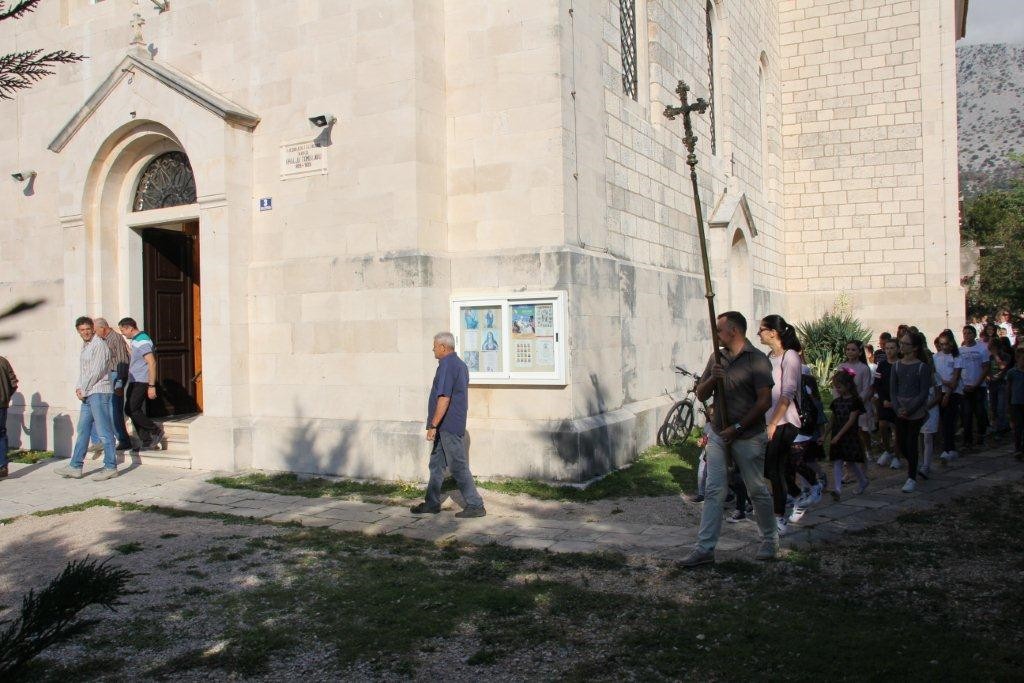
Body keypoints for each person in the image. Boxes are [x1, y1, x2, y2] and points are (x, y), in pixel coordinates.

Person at [679, 311, 778, 567]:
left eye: (719, 330)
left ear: (733, 331)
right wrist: (714, 377)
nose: (715, 334)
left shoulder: (756, 360)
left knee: (756, 489)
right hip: (718, 433)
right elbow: (701, 394)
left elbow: (764, 402)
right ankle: (705, 549)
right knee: (714, 491)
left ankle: (769, 539)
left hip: (748, 435)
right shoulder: (717, 357)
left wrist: (738, 427)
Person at [411, 332, 486, 518]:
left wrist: (433, 425)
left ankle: (476, 504)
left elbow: (444, 398)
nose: (433, 349)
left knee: (457, 465)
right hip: (447, 425)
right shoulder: (459, 364)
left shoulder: (447, 364)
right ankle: (432, 503)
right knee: (436, 465)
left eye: (435, 346)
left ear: (443, 347)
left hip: (447, 425)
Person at [756, 314, 805, 536]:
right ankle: (797, 494)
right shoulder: (769, 357)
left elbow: (787, 393)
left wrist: (774, 423)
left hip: (785, 421)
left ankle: (779, 517)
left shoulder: (790, 356)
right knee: (771, 468)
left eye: (761, 330)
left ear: (773, 332)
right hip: (769, 420)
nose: (759, 334)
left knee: (774, 468)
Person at [53, 317, 119, 480]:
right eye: (82, 330)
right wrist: (78, 387)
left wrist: (83, 389)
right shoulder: (86, 345)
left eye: (88, 329)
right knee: (83, 430)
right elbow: (84, 371)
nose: (85, 332)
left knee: (104, 431)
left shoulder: (99, 345)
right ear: (78, 331)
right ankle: (75, 466)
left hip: (99, 392)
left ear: (93, 329)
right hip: (88, 393)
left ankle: (111, 466)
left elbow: (97, 371)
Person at [891, 332, 932, 493]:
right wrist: (897, 408)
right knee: (901, 442)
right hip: (900, 408)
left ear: (914, 348)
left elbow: (923, 392)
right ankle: (914, 464)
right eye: (901, 343)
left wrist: (910, 409)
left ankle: (911, 477)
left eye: (905, 344)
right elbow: (893, 390)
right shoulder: (896, 366)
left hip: (915, 410)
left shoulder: (922, 367)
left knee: (911, 441)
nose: (901, 346)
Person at [117, 317, 164, 450]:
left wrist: (151, 386)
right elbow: (139, 356)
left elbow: (151, 362)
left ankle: (155, 431)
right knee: (129, 409)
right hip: (135, 379)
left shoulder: (142, 340)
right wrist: (128, 350)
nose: (122, 333)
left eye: (123, 330)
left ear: (130, 328)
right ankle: (146, 440)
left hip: (142, 380)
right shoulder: (136, 340)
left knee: (133, 409)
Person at [88, 318, 133, 452]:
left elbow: (122, 361)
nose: (94, 333)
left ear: (103, 328)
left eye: (95, 330)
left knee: (114, 410)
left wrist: (119, 383)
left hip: (115, 375)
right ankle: (99, 440)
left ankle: (123, 440)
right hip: (105, 376)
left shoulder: (116, 338)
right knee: (99, 408)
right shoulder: (101, 340)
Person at [828, 368, 869, 500]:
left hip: (849, 435)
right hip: (837, 433)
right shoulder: (836, 402)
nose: (837, 389)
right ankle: (838, 489)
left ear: (848, 385)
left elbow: (851, 421)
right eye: (836, 387)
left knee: (850, 462)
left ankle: (862, 481)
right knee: (838, 460)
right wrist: (825, 435)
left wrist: (838, 436)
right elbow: (832, 419)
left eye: (839, 386)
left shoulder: (855, 401)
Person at [839, 340, 876, 462]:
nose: (850, 352)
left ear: (860, 352)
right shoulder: (841, 367)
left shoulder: (864, 368)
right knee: (847, 430)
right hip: (845, 404)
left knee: (862, 430)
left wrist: (857, 401)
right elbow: (837, 385)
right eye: (848, 349)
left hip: (860, 404)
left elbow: (867, 388)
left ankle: (868, 450)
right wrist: (839, 400)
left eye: (853, 350)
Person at [934, 331, 963, 463]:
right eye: (941, 344)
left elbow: (955, 378)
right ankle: (946, 447)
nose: (943, 347)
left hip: (953, 392)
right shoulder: (936, 357)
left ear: (951, 343)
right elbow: (935, 376)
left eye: (946, 344)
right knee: (942, 421)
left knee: (949, 420)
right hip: (940, 391)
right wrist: (943, 384)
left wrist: (947, 394)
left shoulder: (957, 357)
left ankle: (949, 448)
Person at [959, 325, 990, 451]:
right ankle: (967, 440)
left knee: (980, 412)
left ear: (974, 334)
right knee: (966, 414)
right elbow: (958, 369)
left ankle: (981, 435)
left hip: (979, 386)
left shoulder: (982, 348)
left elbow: (986, 367)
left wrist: (977, 384)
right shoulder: (960, 350)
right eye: (965, 333)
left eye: (969, 333)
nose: (967, 335)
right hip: (965, 387)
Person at [874, 338, 899, 468]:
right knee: (882, 425)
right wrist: (883, 399)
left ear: (898, 349)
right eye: (887, 348)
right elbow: (877, 384)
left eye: (892, 348)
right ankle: (887, 450)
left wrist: (895, 401)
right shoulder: (882, 365)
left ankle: (897, 455)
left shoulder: (901, 364)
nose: (889, 351)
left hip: (898, 401)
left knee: (896, 429)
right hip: (884, 400)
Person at [987, 337, 1013, 436]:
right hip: (992, 384)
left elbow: (1003, 367)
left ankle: (1002, 427)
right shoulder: (989, 357)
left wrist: (996, 355)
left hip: (1002, 383)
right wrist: (989, 376)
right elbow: (987, 369)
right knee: (993, 406)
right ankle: (996, 426)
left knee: (1001, 407)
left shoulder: (1006, 356)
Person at [0, 355, 18, 479]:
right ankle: (2, 466)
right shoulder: (3, 361)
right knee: (1, 434)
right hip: (2, 405)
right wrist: (6, 397)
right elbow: (13, 383)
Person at [1006, 347, 1024, 460]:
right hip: (1016, 403)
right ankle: (1017, 449)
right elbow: (1008, 389)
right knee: (1018, 427)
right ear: (1017, 359)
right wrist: (1008, 404)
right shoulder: (1012, 372)